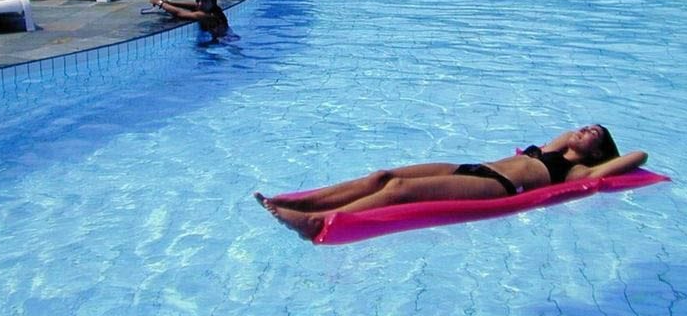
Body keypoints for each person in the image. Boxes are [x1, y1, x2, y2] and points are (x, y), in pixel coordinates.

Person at [255, 125, 648, 240]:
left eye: (592, 132)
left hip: (498, 186)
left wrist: (601, 152)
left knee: (399, 192)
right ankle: (308, 203)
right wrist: (580, 138)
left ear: (599, 152)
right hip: (471, 167)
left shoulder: (579, 172)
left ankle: (319, 222)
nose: (582, 129)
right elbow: (564, 136)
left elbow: (638, 157)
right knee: (383, 176)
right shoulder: (550, 150)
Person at [149, 0, 230, 40]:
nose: (200, 4)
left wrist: (159, 3)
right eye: (198, 1)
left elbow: (179, 13)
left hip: (223, 42)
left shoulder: (205, 15)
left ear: (213, 1)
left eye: (204, 0)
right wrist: (170, 3)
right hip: (227, 37)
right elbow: (194, 5)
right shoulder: (216, 9)